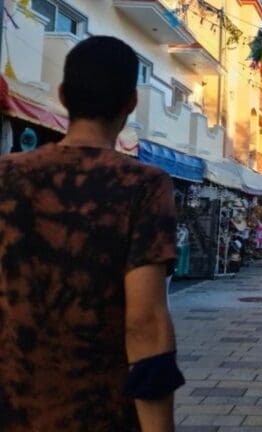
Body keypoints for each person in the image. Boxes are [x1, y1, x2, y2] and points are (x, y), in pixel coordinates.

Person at [0, 36, 183, 432]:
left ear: (63, 95)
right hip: (100, 411)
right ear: (130, 103)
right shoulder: (143, 184)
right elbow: (145, 322)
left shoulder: (6, 175)